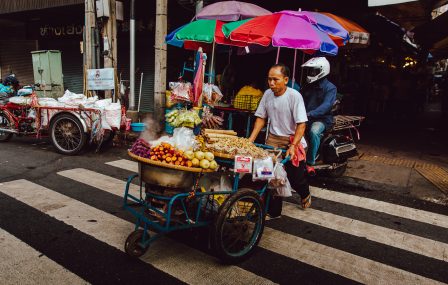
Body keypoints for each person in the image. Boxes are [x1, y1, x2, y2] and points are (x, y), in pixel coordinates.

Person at [248, 63, 311, 216]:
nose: (271, 83)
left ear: (286, 80)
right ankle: (274, 212)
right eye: (269, 79)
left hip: (293, 139)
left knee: (296, 178)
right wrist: (250, 140)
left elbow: (301, 124)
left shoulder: (294, 96)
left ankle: (305, 194)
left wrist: (294, 145)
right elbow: (261, 118)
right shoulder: (267, 94)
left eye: (275, 79)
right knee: (269, 176)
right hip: (273, 140)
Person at [301, 57, 336, 166]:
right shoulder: (307, 86)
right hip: (306, 117)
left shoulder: (330, 88)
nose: (311, 73)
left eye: (313, 71)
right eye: (310, 71)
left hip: (322, 119)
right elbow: (299, 99)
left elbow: (326, 106)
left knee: (314, 131)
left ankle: (310, 161)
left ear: (322, 70)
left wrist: (309, 114)